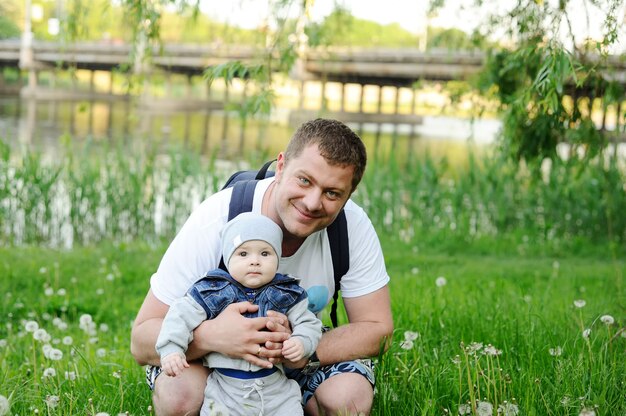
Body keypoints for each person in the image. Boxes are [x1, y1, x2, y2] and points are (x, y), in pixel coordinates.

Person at [131, 118, 394, 415]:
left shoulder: (352, 226)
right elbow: (141, 340)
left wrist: (300, 349)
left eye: (332, 193)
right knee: (179, 395)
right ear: (280, 166)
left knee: (349, 399)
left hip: (300, 347)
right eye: (304, 180)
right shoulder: (217, 219)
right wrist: (213, 337)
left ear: (348, 196)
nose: (311, 202)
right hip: (214, 360)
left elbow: (378, 329)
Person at [156, 212, 321, 416]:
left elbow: (309, 323)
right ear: (228, 258)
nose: (255, 261)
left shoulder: (287, 292)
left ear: (277, 259)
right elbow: (180, 316)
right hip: (225, 390)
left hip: (276, 391)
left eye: (265, 253)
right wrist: (172, 348)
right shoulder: (213, 291)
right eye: (243, 254)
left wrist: (302, 341)